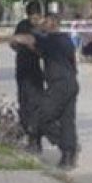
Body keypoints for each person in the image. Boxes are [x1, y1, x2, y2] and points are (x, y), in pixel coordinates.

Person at [11, 14, 80, 169]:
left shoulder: (51, 39)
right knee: (67, 120)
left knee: (40, 117)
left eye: (46, 22)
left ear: (53, 24)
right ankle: (68, 156)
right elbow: (42, 52)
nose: (43, 24)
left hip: (59, 85)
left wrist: (12, 38)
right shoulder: (65, 40)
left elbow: (28, 40)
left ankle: (66, 145)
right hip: (71, 83)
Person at [12, 2, 46, 153]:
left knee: (36, 105)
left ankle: (36, 140)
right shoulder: (22, 25)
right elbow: (14, 43)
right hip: (22, 69)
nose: (34, 20)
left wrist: (31, 46)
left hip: (35, 71)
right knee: (23, 103)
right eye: (32, 17)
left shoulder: (42, 28)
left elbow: (44, 51)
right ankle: (28, 135)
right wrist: (17, 43)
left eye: (36, 17)